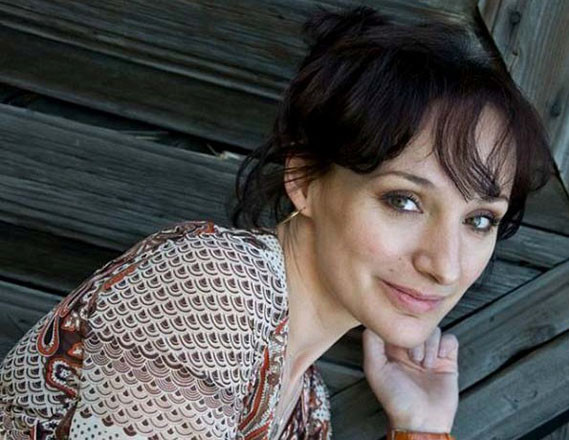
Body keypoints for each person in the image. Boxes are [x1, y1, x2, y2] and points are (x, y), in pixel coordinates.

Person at [0, 5, 554, 440]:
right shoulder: (209, 288)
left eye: (479, 220)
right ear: (305, 179)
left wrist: (422, 428)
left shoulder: (305, 411)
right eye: (404, 201)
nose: (445, 265)